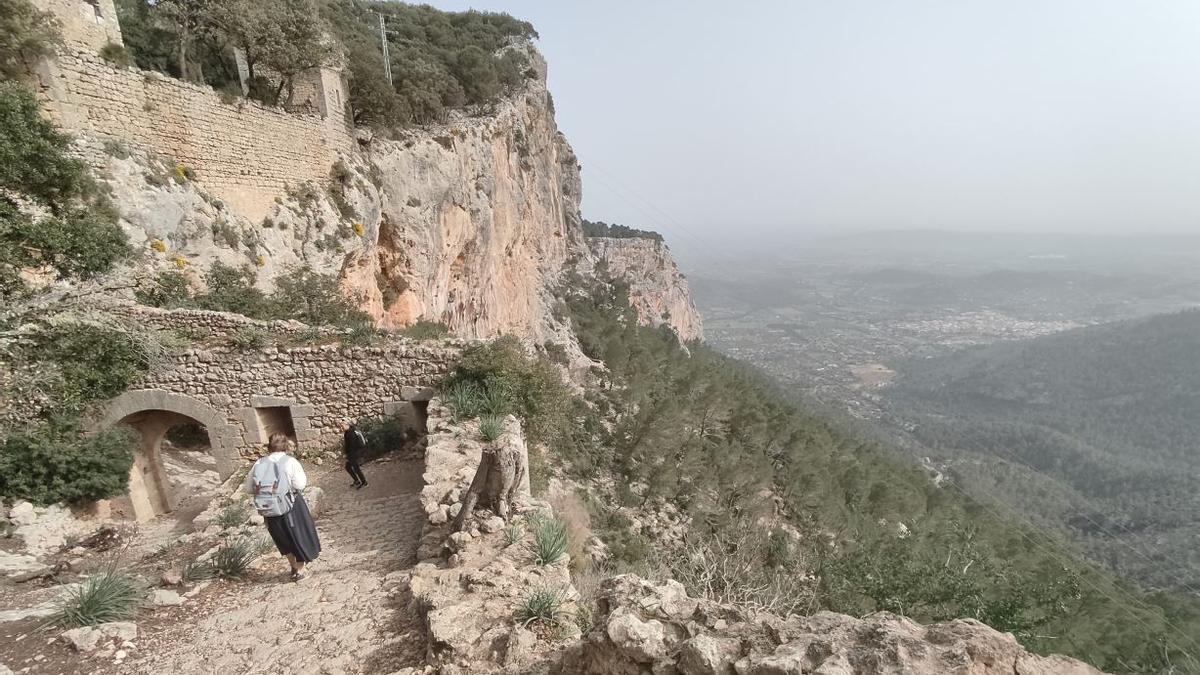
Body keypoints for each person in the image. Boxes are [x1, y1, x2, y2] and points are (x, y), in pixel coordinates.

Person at [243, 433, 320, 581]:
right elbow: (300, 485)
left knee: (282, 537)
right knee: (298, 535)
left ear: (269, 447)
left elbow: (249, 488)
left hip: (268, 508)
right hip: (290, 505)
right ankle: (300, 570)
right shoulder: (290, 462)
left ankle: (293, 566)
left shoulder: (259, 464)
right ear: (285, 446)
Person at [344, 422, 368, 488]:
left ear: (347, 425)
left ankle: (364, 482)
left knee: (356, 468)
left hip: (355, 453)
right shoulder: (347, 432)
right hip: (351, 454)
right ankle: (357, 481)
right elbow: (347, 445)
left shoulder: (352, 433)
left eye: (342, 425)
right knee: (348, 467)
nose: (340, 427)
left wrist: (349, 456)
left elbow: (353, 446)